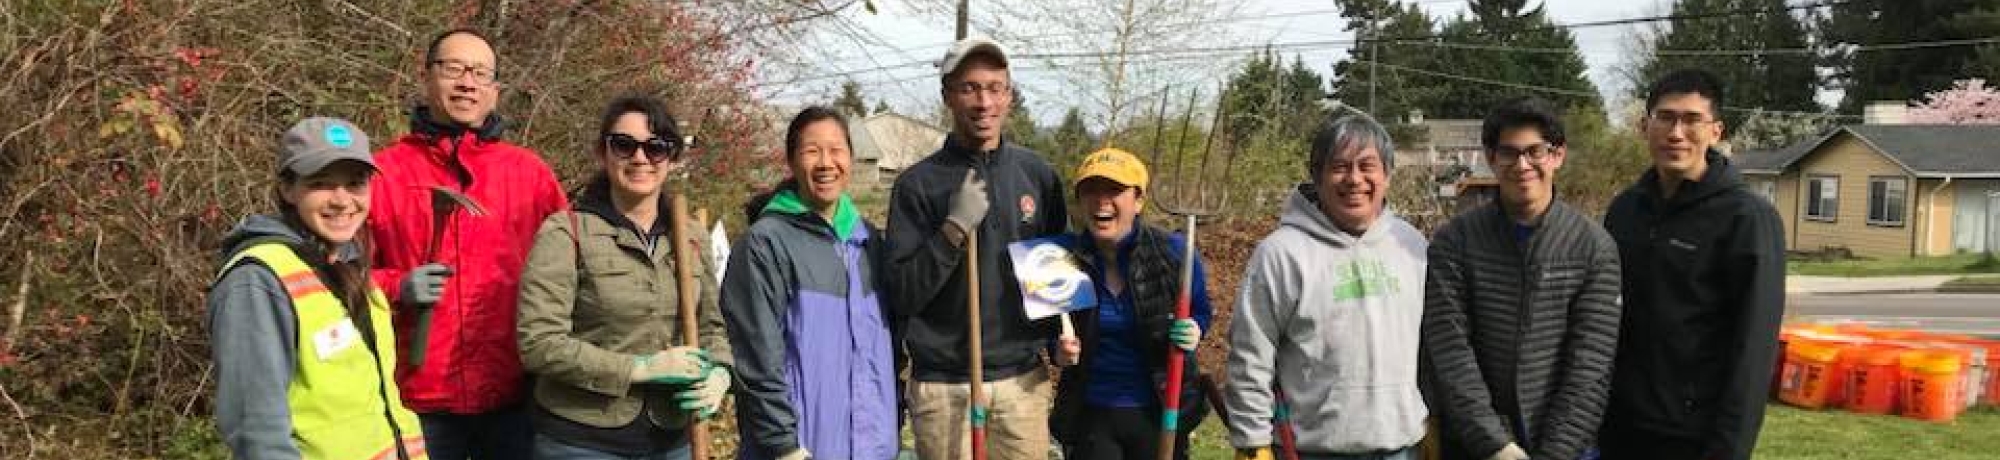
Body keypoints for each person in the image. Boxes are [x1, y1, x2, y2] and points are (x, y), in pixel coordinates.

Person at [368, 28, 569, 460]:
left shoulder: (531, 176)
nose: (467, 83)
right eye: (453, 69)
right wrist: (396, 287)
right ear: (427, 77)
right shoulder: (382, 174)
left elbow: (572, 275)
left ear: (495, 91)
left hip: (515, 398)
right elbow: (341, 281)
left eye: (480, 73)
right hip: (415, 399)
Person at [514, 96, 731, 459]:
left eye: (656, 147)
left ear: (672, 158)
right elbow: (538, 343)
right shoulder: (567, 232)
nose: (640, 158)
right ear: (603, 152)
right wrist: (639, 369)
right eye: (624, 145)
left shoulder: (692, 237)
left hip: (674, 439)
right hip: (582, 442)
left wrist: (720, 374)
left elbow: (712, 327)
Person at [884, 37, 1069, 460]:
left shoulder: (1036, 175)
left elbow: (1056, 278)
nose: (984, 101)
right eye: (969, 88)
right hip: (945, 388)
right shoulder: (917, 185)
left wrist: (1062, 337)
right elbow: (903, 293)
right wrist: (951, 230)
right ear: (947, 95)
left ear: (1008, 94)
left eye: (994, 87)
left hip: (1022, 383)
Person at [210, 117, 427, 460]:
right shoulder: (257, 281)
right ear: (287, 188)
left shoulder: (348, 262)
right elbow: (257, 432)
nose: (342, 200)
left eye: (355, 184)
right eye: (322, 184)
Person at [1597, 70, 1786, 460]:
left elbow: (1753, 350)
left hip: (1693, 437)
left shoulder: (1747, 219)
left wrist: (1727, 450)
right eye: (1665, 117)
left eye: (1691, 119)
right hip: (1620, 427)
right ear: (1643, 126)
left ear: (1716, 131)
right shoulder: (1625, 211)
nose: (1676, 132)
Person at [1419, 98, 1621, 460]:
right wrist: (1495, 444)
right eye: (1509, 153)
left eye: (1535, 151)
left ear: (1557, 155)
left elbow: (1590, 363)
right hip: (1476, 446)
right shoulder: (1455, 242)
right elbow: (1451, 351)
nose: (1522, 165)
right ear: (1491, 157)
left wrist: (1556, 452)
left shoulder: (1593, 246)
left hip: (1567, 445)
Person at [1225, 114, 1428, 460]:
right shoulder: (1281, 253)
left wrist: (1433, 417)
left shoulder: (1411, 245)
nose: (1354, 179)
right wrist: (1253, 441)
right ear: (1317, 178)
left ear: (1387, 176)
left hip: (1404, 448)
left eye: (1368, 166)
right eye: (1339, 167)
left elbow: (1432, 345)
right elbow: (1250, 353)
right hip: (1313, 450)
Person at [721, 106, 898, 460]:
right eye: (812, 151)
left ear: (850, 157)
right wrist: (782, 445)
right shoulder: (766, 243)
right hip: (800, 446)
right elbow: (756, 357)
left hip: (870, 445)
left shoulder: (867, 240)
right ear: (791, 160)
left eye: (836, 150)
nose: (825, 163)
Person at [1047, 148, 1212, 460]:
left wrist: (1195, 329)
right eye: (1091, 190)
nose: (1101, 200)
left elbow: (1201, 311)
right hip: (1091, 413)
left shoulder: (1173, 253)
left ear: (1138, 200)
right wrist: (1057, 351)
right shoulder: (1062, 259)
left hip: (1160, 409)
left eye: (1114, 190)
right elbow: (1047, 324)